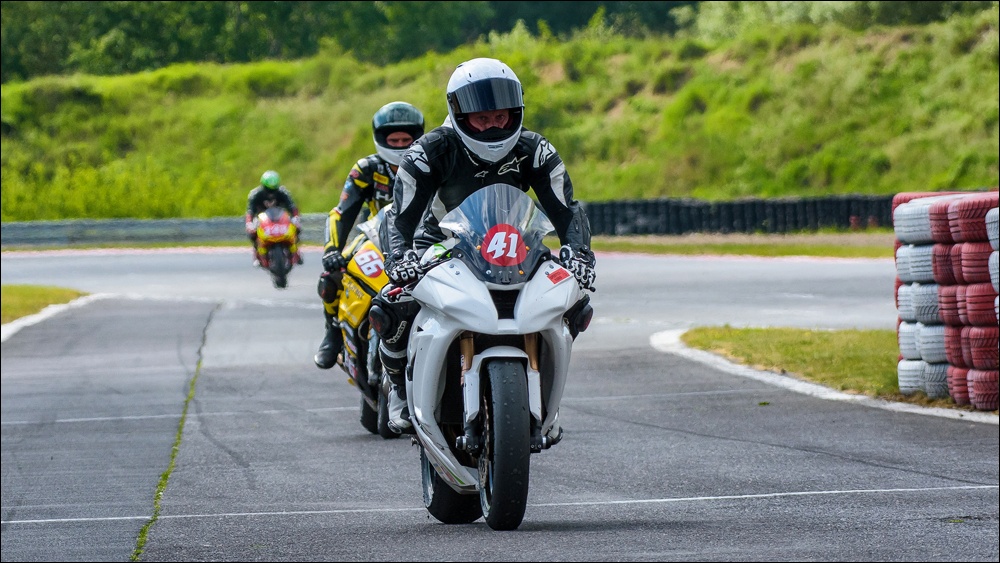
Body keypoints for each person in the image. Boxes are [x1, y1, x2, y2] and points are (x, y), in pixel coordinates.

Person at [373, 57, 596, 433]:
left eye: (500, 116)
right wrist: (400, 257)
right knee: (393, 304)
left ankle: (545, 398)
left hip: (513, 244)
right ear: (459, 114)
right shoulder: (429, 151)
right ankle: (398, 388)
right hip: (441, 242)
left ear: (515, 112)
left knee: (573, 303)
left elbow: (567, 210)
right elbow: (399, 216)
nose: (493, 125)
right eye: (482, 118)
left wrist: (579, 252)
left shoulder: (535, 149)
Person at [314, 102, 426, 369]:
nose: (400, 146)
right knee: (332, 275)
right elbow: (342, 213)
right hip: (375, 237)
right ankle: (332, 333)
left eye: (405, 140)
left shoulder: (431, 163)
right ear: (381, 139)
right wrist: (332, 249)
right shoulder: (366, 168)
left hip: (424, 238)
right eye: (394, 140)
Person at [245, 170, 303, 267]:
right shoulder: (255, 194)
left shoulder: (283, 192)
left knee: (297, 228)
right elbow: (250, 211)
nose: (271, 193)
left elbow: (292, 207)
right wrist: (249, 223)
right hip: (262, 219)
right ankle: (257, 253)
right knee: (252, 233)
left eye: (273, 190)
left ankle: (296, 251)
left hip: (280, 217)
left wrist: (296, 218)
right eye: (268, 190)